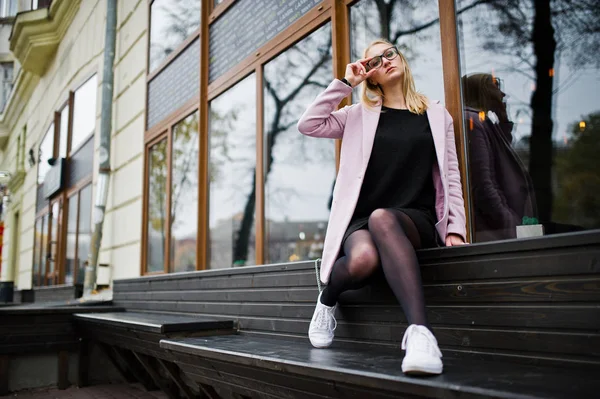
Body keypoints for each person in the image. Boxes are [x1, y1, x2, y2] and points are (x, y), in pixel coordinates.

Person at [297, 39, 467, 376]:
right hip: (362, 219)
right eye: (375, 61)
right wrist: (345, 84)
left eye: (389, 53)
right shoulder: (358, 115)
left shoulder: (435, 114)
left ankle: (421, 335)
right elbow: (309, 124)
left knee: (384, 219)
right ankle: (328, 297)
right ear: (370, 75)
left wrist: (456, 229)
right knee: (362, 259)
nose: (385, 61)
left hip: (413, 218)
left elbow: (451, 175)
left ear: (401, 58)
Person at [461, 73, 537, 242]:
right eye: (496, 88)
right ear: (481, 91)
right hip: (495, 233)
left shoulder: (480, 121)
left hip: (503, 228)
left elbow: (500, 153)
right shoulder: (472, 122)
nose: (503, 95)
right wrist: (510, 224)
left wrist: (503, 118)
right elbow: (482, 184)